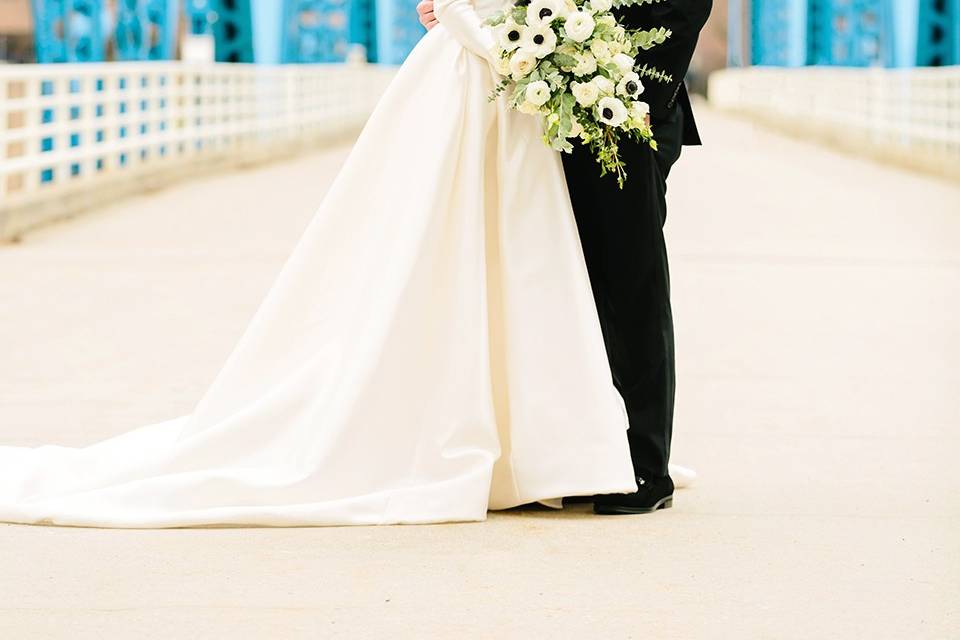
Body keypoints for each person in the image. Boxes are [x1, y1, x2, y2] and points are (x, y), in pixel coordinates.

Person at [0, 0, 643, 528]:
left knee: (515, 258)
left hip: (504, 88)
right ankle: (527, 445)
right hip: (475, 76)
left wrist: (536, 46)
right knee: (448, 247)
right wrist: (524, 45)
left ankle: (530, 442)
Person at [418, 0, 713, 514]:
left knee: (629, 281)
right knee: (559, 281)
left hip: (626, 108)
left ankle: (648, 464)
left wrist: (631, 87)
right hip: (546, 103)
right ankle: (581, 453)